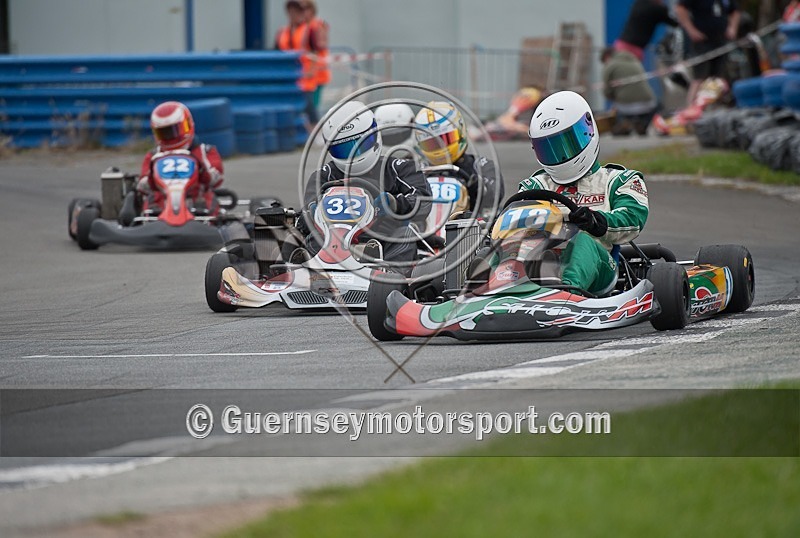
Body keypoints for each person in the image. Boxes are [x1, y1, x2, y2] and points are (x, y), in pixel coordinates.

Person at [517, 91, 649, 295]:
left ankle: (567, 294)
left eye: (567, 144)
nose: (560, 155)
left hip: (599, 265)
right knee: (497, 250)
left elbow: (633, 218)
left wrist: (597, 222)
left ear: (588, 131)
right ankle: (480, 294)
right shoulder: (534, 185)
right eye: (549, 148)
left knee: (582, 240)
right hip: (541, 262)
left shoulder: (618, 180)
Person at [300, 100, 431, 264]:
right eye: (343, 149)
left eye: (359, 145)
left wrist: (395, 204)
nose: (353, 156)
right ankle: (296, 275)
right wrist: (311, 212)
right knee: (305, 237)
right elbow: (305, 212)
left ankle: (391, 278)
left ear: (374, 136)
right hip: (331, 242)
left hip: (383, 240)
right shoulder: (325, 175)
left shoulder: (399, 168)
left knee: (404, 236)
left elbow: (424, 200)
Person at [413, 101, 504, 216]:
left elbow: (494, 198)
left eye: (445, 139)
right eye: (431, 144)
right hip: (424, 227)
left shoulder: (481, 166)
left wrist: (474, 186)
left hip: (469, 228)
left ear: (460, 132)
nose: (440, 148)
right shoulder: (418, 171)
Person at [137, 101, 224, 214]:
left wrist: (202, 172)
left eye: (174, 130)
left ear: (188, 124)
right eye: (164, 132)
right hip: (160, 211)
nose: (170, 136)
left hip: (200, 208)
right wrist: (150, 180)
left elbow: (216, 179)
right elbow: (143, 186)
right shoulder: (153, 156)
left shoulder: (206, 152)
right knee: (150, 203)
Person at [675, 0, 740, 105]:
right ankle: (691, 109)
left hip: (721, 40)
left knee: (719, 78)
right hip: (702, 41)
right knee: (699, 77)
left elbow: (735, 11)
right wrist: (691, 30)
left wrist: (732, 28)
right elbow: (680, 9)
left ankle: (717, 107)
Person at [274, 0, 320, 127]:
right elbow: (276, 53)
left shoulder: (309, 30)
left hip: (305, 76)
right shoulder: (282, 32)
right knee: (291, 107)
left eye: (296, 11)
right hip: (288, 77)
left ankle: (315, 132)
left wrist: (310, 71)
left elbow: (315, 52)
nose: (293, 14)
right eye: (291, 12)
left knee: (309, 105)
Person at [601, 47, 659, 136]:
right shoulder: (635, 60)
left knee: (615, 108)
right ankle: (642, 123)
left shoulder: (610, 65)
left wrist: (613, 98)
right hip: (648, 103)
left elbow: (607, 91)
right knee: (656, 105)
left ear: (607, 57)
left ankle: (625, 123)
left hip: (625, 105)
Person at [302, 0, 330, 123]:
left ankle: (316, 130)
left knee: (313, 104)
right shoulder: (304, 27)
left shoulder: (317, 25)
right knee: (308, 105)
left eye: (305, 9)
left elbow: (320, 46)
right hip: (306, 73)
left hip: (317, 72)